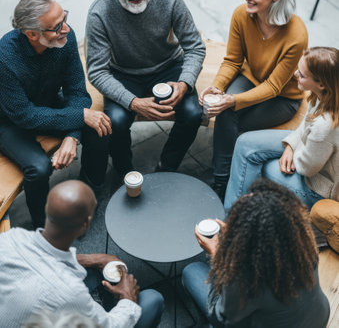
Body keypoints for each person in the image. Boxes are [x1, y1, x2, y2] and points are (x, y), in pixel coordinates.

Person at [86, 0, 205, 177]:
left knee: (192, 113)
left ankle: (167, 167)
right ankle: (125, 173)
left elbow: (194, 46)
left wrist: (184, 83)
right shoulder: (99, 12)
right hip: (123, 73)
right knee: (117, 122)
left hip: (168, 67)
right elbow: (97, 72)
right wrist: (133, 102)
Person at [0, 0, 112, 228]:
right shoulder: (4, 58)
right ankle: (45, 226)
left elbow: (77, 93)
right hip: (9, 121)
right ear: (32, 34)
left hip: (49, 102)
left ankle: (91, 192)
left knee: (100, 125)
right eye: (57, 26)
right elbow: (25, 116)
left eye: (65, 18)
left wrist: (73, 135)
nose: (67, 29)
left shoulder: (64, 39)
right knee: (39, 168)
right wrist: (79, 117)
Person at [200, 0, 308, 199]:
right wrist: (217, 87)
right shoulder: (241, 14)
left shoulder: (296, 35)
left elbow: (273, 86)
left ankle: (221, 181)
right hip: (251, 77)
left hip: (283, 97)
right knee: (226, 111)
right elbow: (233, 61)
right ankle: (222, 177)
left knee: (229, 116)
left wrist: (232, 101)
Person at [0, 180, 164, 328]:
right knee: (152, 300)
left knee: (93, 273)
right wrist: (128, 298)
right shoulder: (70, 294)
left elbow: (44, 258)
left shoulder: (11, 238)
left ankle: (101, 304)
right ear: (85, 225)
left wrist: (93, 259)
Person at [182, 179, 330, 327]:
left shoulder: (246, 280)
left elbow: (223, 316)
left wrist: (216, 254)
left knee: (191, 271)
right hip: (317, 319)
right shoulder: (303, 243)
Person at [224, 47, 339, 212]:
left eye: (302, 74)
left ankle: (234, 219)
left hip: (317, 187)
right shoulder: (325, 95)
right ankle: (236, 211)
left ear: (321, 83)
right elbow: (306, 125)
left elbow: (306, 168)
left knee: (261, 166)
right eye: (298, 69)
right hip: (309, 149)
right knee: (244, 143)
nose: (295, 74)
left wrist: (293, 150)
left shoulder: (325, 126)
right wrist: (291, 145)